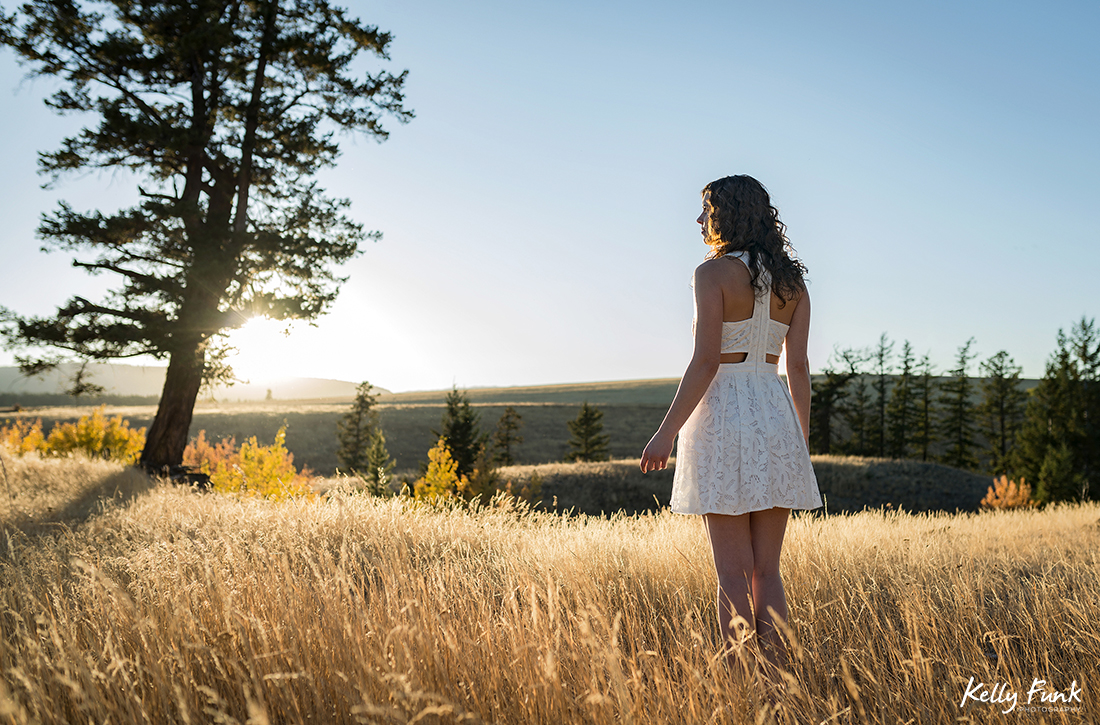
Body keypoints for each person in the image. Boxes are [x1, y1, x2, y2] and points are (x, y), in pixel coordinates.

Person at [639, 174, 822, 672]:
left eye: (706, 210)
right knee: (768, 571)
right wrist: (798, 442)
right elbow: (798, 368)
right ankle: (782, 681)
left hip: (723, 415)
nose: (699, 220)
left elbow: (706, 362)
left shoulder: (712, 274)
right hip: (775, 412)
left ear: (728, 214)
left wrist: (665, 433)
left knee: (732, 575)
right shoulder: (794, 284)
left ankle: (740, 681)